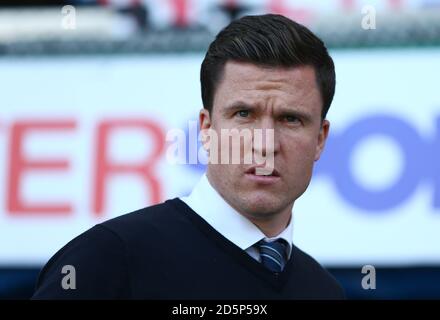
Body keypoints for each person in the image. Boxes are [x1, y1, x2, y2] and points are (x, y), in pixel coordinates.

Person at [32, 14, 344, 299]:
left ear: (320, 139)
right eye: (244, 113)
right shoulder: (106, 260)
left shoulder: (324, 291)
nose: (265, 143)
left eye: (291, 119)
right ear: (207, 129)